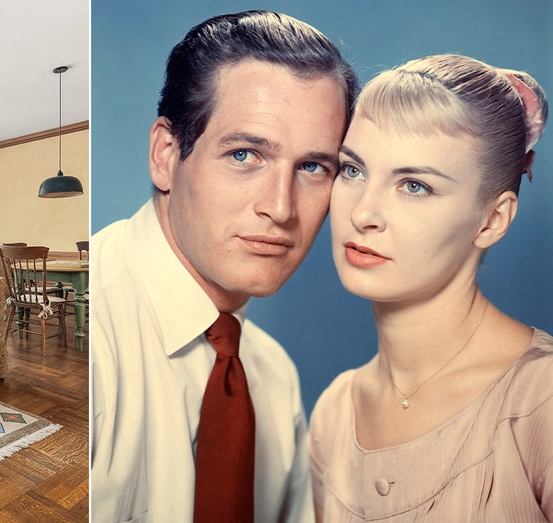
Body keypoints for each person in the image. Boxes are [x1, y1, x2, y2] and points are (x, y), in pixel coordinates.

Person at [90, 10, 359, 522]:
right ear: (166, 154)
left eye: (312, 167)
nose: (281, 208)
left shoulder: (274, 378)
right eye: (244, 155)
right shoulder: (98, 343)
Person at [309, 54, 551, 521]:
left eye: (414, 185)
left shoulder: (541, 401)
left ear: (492, 219)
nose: (363, 213)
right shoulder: (335, 414)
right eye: (353, 170)